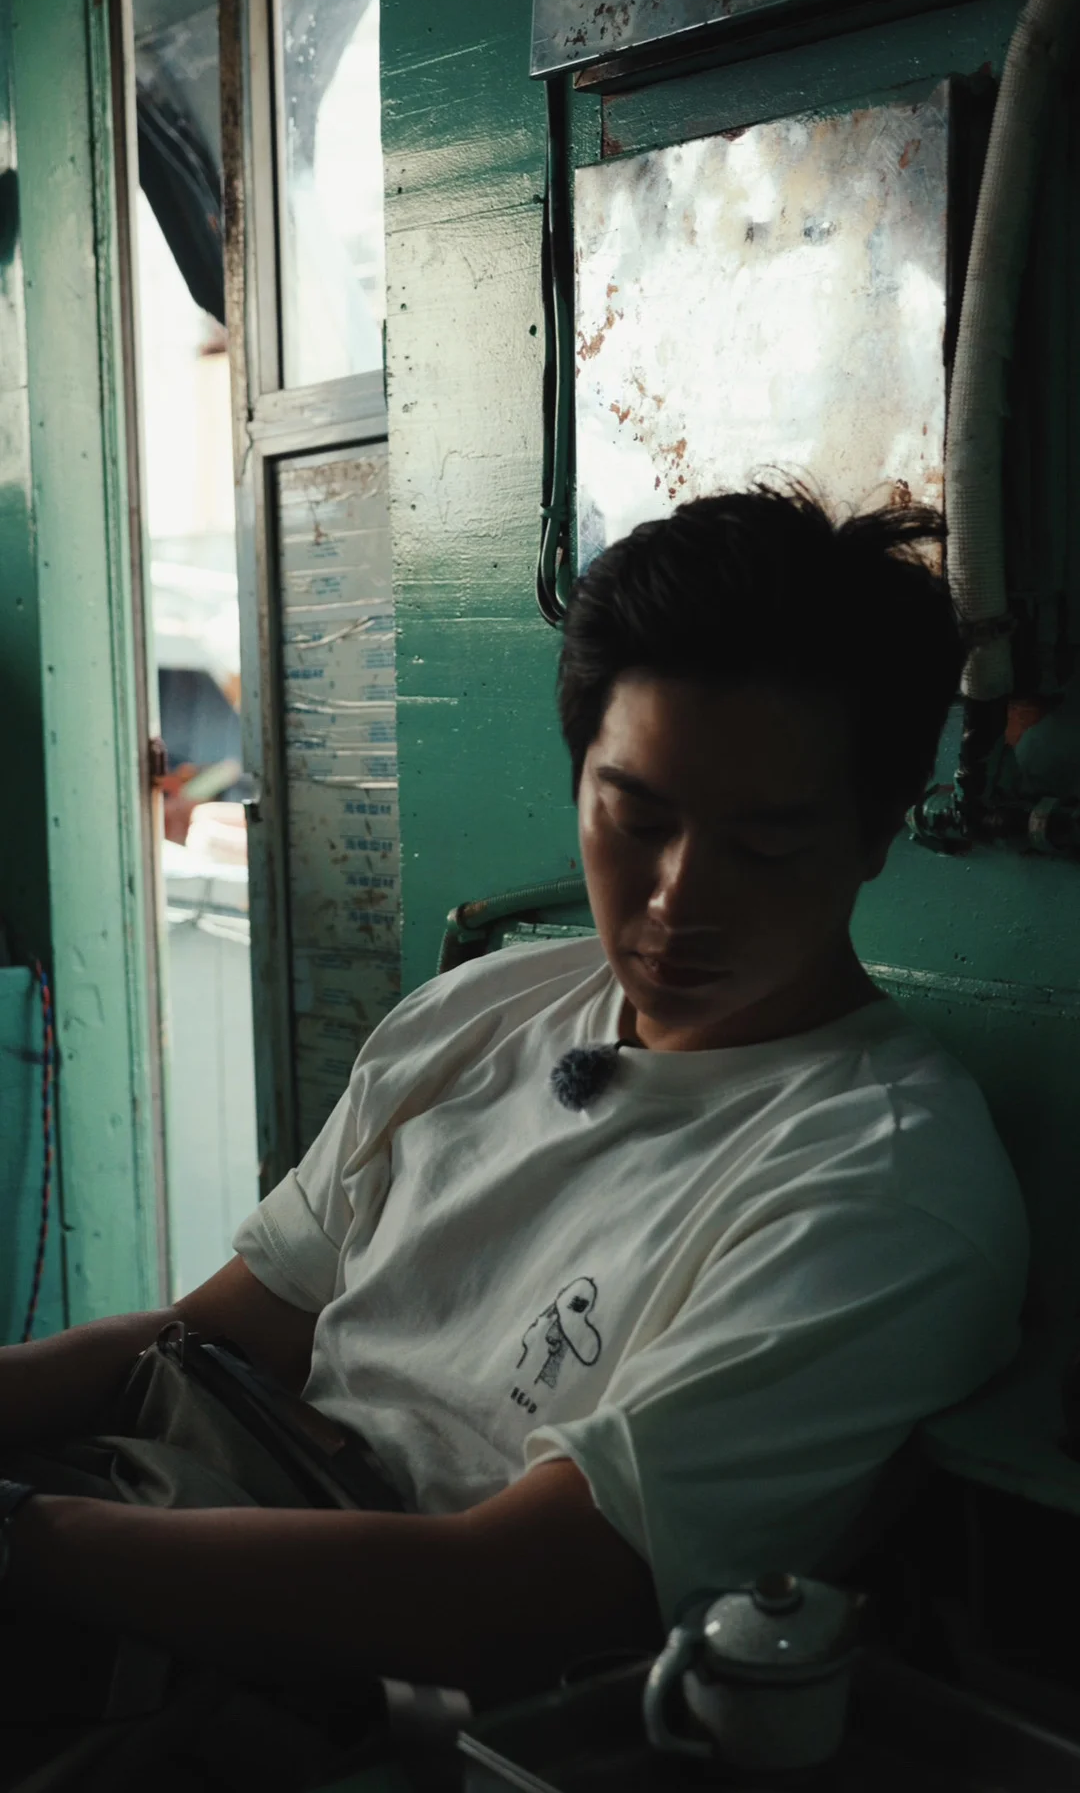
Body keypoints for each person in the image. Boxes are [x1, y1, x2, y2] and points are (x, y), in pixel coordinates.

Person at [0, 488, 1027, 1714]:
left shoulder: (881, 1181)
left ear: (875, 834)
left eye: (765, 846)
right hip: (173, 1501)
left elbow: (505, 1601)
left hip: (348, 1680)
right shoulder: (483, 1013)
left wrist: (25, 1537)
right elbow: (205, 1340)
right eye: (635, 818)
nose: (676, 902)